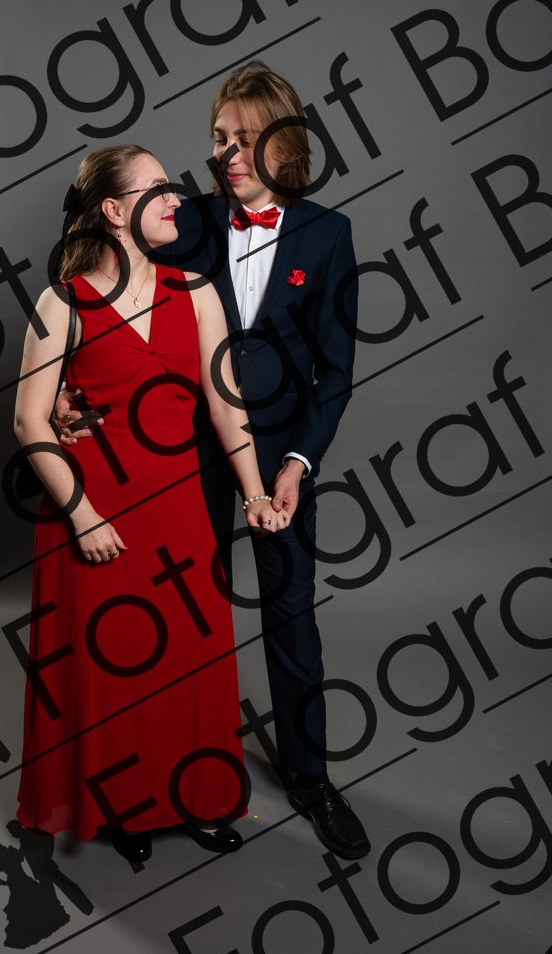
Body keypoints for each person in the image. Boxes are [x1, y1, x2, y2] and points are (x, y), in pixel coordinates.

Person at [58, 63, 370, 859]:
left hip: (278, 455)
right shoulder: (186, 216)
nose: (226, 154)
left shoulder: (328, 235)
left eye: (244, 138)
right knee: (176, 611)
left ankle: (310, 778)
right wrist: (63, 383)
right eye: (219, 138)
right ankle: (155, 777)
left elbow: (335, 371)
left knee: (290, 612)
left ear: (285, 142)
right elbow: (94, 258)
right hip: (176, 451)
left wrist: (297, 464)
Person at [13, 144, 282, 864]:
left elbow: (227, 407)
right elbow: (30, 420)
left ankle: (196, 797)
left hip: (177, 505)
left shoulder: (195, 291)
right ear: (113, 209)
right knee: (115, 663)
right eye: (157, 188)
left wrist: (255, 493)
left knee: (189, 657)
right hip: (91, 508)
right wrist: (83, 516)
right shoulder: (63, 301)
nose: (175, 199)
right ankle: (122, 807)